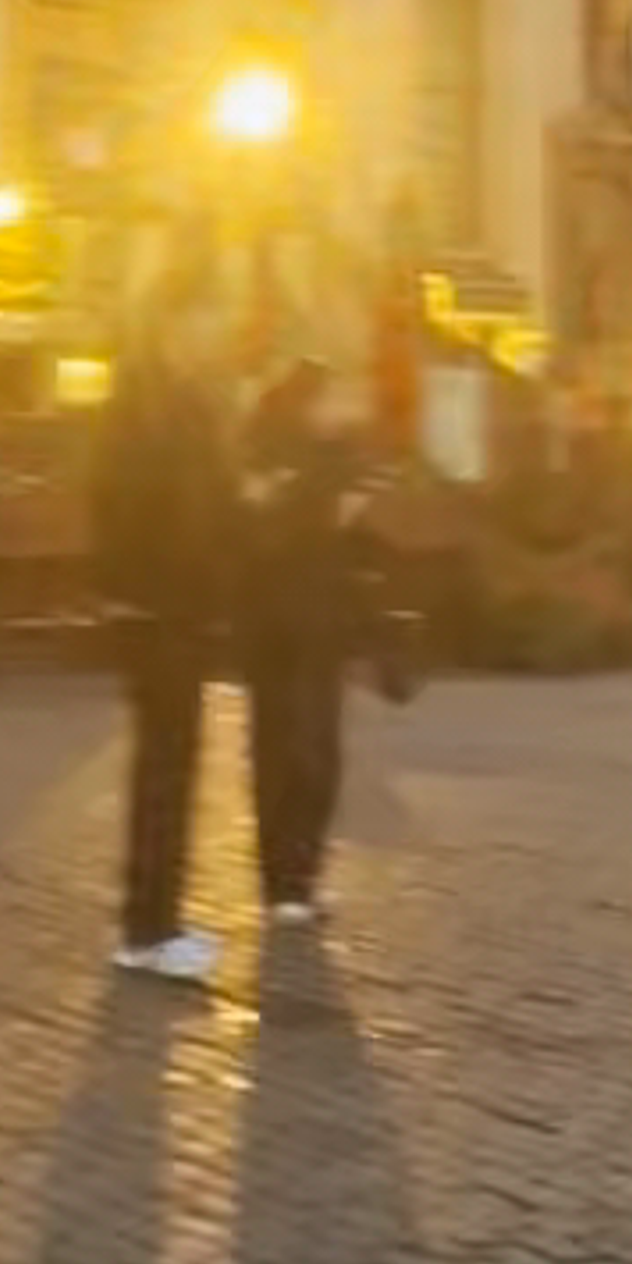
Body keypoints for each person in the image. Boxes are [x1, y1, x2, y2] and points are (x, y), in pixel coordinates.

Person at [93, 271, 245, 979]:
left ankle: (155, 918)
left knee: (173, 762)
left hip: (182, 602)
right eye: (207, 321)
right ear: (177, 324)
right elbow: (116, 497)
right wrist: (123, 589)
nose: (214, 335)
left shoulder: (186, 397)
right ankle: (148, 925)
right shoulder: (148, 403)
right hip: (159, 605)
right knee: (163, 765)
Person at [239, 353, 373, 929]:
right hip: (279, 625)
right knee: (290, 750)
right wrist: (324, 502)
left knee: (318, 753)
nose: (347, 409)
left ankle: (301, 878)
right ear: (310, 401)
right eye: (337, 399)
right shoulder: (272, 449)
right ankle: (285, 882)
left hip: (320, 625)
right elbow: (264, 528)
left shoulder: (337, 456)